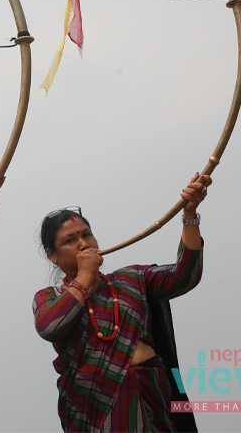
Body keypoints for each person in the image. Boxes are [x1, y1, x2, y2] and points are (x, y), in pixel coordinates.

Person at [32, 174, 210, 432]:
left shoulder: (132, 279)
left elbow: (185, 276)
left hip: (152, 401)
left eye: (87, 235)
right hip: (97, 413)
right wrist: (84, 276)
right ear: (52, 256)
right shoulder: (49, 298)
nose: (83, 244)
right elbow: (50, 327)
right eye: (70, 241)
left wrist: (190, 214)